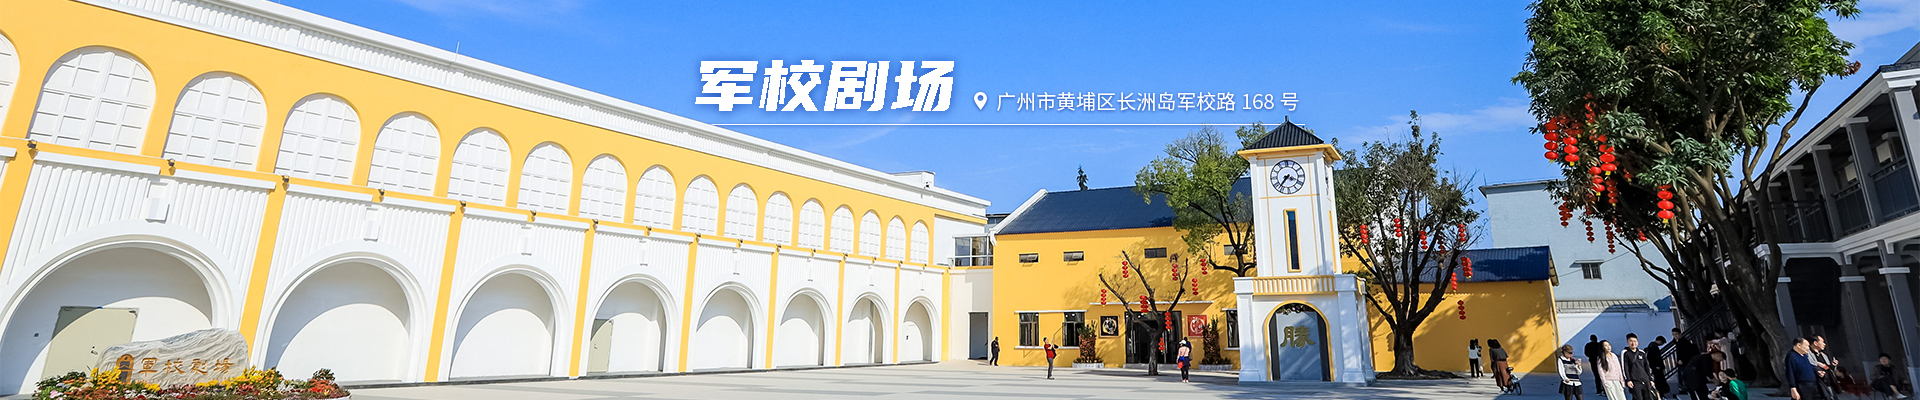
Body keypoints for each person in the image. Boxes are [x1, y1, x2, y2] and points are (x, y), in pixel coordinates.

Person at [1625, 334, 1658, 400]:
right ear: (1627, 342)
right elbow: (1625, 368)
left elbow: (1647, 367)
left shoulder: (1642, 353)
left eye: (1635, 341)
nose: (1633, 343)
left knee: (1648, 397)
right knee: (1638, 398)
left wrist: (1650, 379)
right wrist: (1628, 380)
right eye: (1631, 341)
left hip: (1645, 379)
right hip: (1635, 381)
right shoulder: (1626, 353)